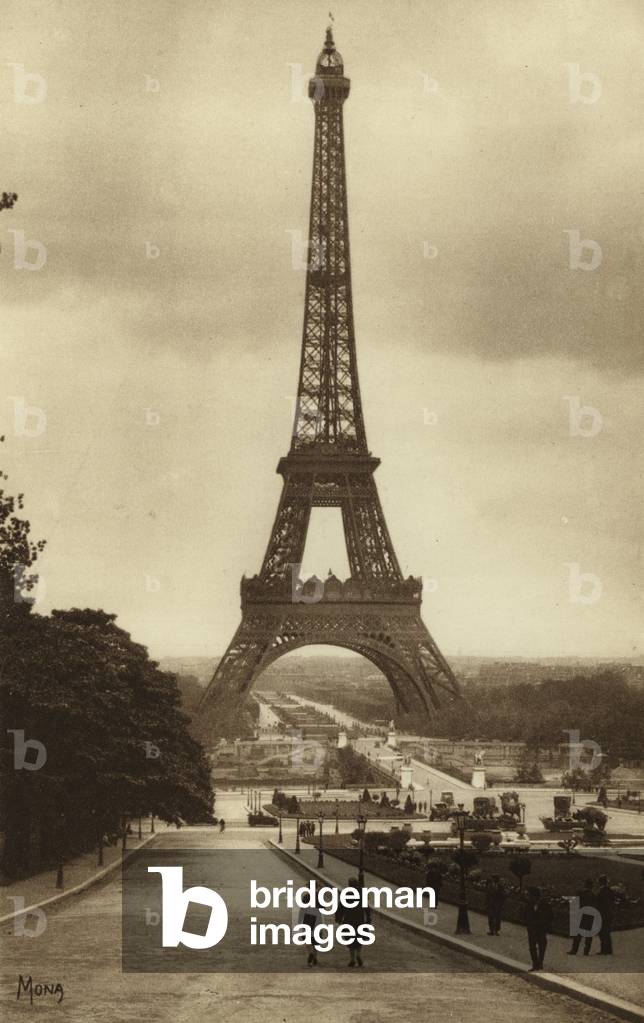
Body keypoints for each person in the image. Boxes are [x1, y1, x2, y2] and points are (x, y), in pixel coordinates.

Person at [335, 877, 371, 968]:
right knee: (359, 937)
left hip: (349, 918)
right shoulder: (362, 893)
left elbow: (341, 907)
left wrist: (338, 918)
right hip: (359, 918)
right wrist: (369, 918)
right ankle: (358, 954)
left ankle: (352, 959)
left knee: (350, 938)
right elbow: (366, 907)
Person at [524, 886, 552, 971]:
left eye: (529, 895)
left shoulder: (544, 904)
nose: (528, 897)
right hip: (532, 929)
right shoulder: (529, 904)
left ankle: (539, 962)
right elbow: (526, 915)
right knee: (532, 947)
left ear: (534, 896)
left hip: (541, 929)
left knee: (542, 946)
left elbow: (550, 916)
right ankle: (535, 963)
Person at [568, 878, 596, 956]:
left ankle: (574, 950)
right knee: (588, 934)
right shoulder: (594, 895)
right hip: (590, 916)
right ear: (591, 887)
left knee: (577, 934)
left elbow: (575, 903)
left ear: (585, 885)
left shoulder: (580, 893)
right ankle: (586, 951)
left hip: (581, 915)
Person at [596, 875, 615, 955]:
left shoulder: (600, 891)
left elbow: (598, 902)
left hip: (602, 914)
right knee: (607, 932)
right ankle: (609, 950)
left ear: (600, 882)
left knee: (602, 932)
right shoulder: (610, 890)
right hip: (609, 913)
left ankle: (604, 950)